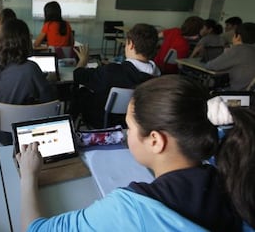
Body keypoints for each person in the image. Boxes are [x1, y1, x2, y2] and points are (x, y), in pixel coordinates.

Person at [17, 75, 255, 231]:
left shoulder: (129, 210)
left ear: (155, 141)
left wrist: (29, 175)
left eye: (130, 127)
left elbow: (36, 229)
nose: (125, 133)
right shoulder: (235, 173)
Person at [71, 23, 160, 128]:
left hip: (103, 122)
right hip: (134, 124)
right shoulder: (158, 78)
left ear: (130, 44)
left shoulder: (112, 72)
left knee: (80, 91)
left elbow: (77, 74)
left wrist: (83, 60)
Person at [0, 19, 56, 145]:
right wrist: (49, 82)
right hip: (27, 135)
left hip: (0, 132)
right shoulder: (31, 68)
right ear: (25, 41)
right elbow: (49, 98)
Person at [205, 22, 255, 90]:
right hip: (249, 94)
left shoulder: (238, 50)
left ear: (238, 37)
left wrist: (232, 49)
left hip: (234, 94)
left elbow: (211, 66)